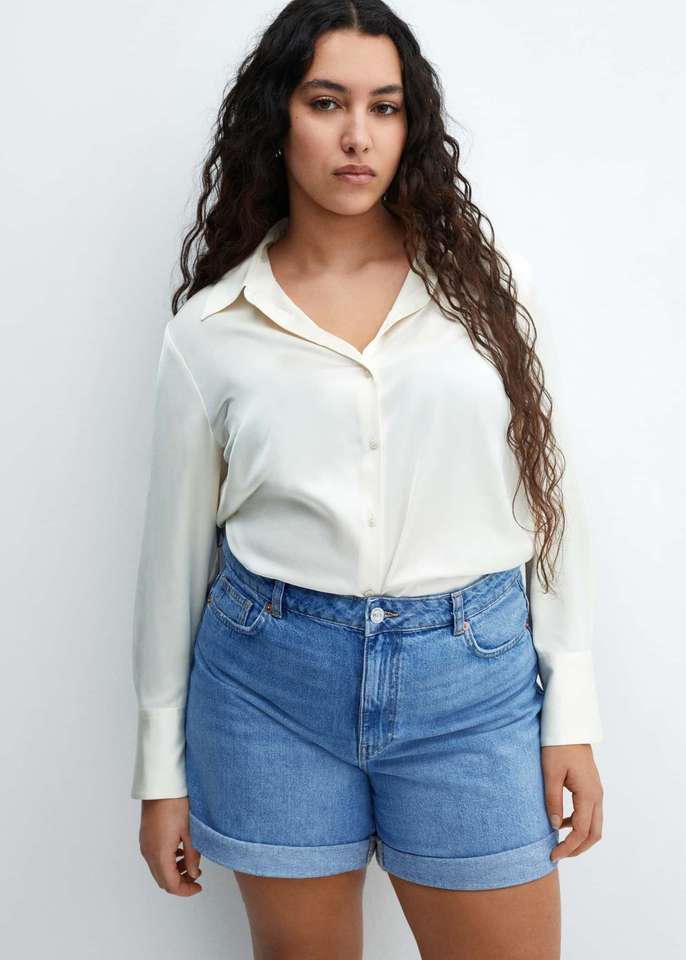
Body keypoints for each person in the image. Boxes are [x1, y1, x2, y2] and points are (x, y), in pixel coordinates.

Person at [130, 1, 604, 957]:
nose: (358, 135)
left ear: (409, 125)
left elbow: (547, 502)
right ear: (278, 120)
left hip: (471, 684)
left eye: (384, 107)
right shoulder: (212, 331)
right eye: (326, 102)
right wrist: (159, 770)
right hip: (268, 688)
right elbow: (172, 563)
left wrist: (572, 711)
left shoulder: (486, 295)